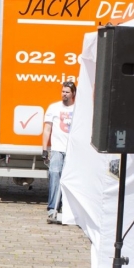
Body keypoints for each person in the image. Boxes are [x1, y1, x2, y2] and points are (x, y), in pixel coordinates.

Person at [43, 80, 76, 224]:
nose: (64, 94)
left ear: (73, 93)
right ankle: (52, 208)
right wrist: (45, 149)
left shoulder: (78, 109)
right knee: (54, 175)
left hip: (72, 150)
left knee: (69, 179)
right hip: (57, 149)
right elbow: (47, 129)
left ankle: (66, 208)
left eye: (67, 92)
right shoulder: (54, 107)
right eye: (63, 91)